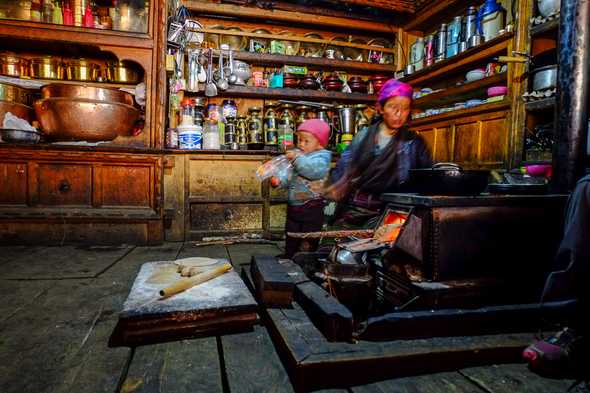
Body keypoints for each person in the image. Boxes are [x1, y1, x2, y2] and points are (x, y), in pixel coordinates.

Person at [328, 78, 432, 228]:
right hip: (358, 208)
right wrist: (336, 187)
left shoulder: (414, 142)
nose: (399, 113)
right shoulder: (363, 136)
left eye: (405, 108)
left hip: (394, 212)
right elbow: (343, 170)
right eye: (393, 106)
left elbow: (427, 177)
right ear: (381, 108)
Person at [271, 119, 332, 258]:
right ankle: (290, 255)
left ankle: (308, 258)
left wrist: (296, 159)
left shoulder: (322, 157)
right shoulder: (300, 157)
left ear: (320, 143)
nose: (300, 144)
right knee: (291, 232)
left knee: (309, 235)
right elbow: (291, 176)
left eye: (306, 141)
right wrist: (279, 181)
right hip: (294, 205)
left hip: (312, 205)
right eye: (299, 140)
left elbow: (312, 171)